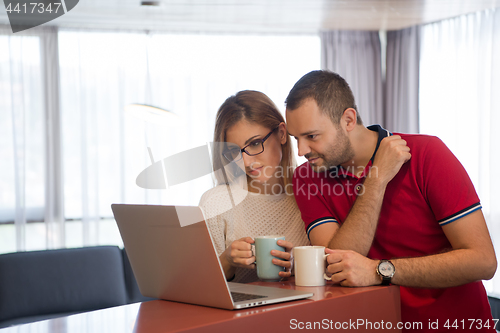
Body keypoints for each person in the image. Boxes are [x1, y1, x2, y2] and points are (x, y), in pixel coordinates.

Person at [285, 70, 497, 332]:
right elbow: (336, 262)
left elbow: (483, 261)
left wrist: (379, 270)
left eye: (311, 136)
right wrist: (376, 180)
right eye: (296, 138)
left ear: (348, 120)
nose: (301, 151)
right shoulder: (307, 176)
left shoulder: (428, 154)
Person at [199, 90, 310, 283]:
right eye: (234, 151)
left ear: (282, 134)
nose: (246, 161)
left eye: (255, 143)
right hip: (241, 313)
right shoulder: (215, 203)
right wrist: (227, 260)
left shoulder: (312, 194)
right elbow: (202, 285)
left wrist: (297, 266)